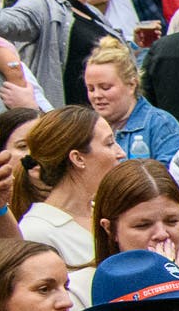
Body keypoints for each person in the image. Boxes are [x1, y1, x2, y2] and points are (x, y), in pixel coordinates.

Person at [15, 104, 122, 267]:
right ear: (78, 158)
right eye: (109, 144)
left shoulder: (107, 213)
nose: (120, 153)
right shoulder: (36, 231)